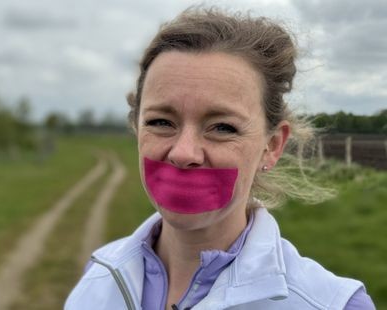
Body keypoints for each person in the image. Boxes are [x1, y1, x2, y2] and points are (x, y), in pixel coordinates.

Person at [65, 6, 375, 310]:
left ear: (273, 145)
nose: (184, 153)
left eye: (223, 127)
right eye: (161, 122)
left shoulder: (334, 304)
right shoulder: (100, 276)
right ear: (137, 127)